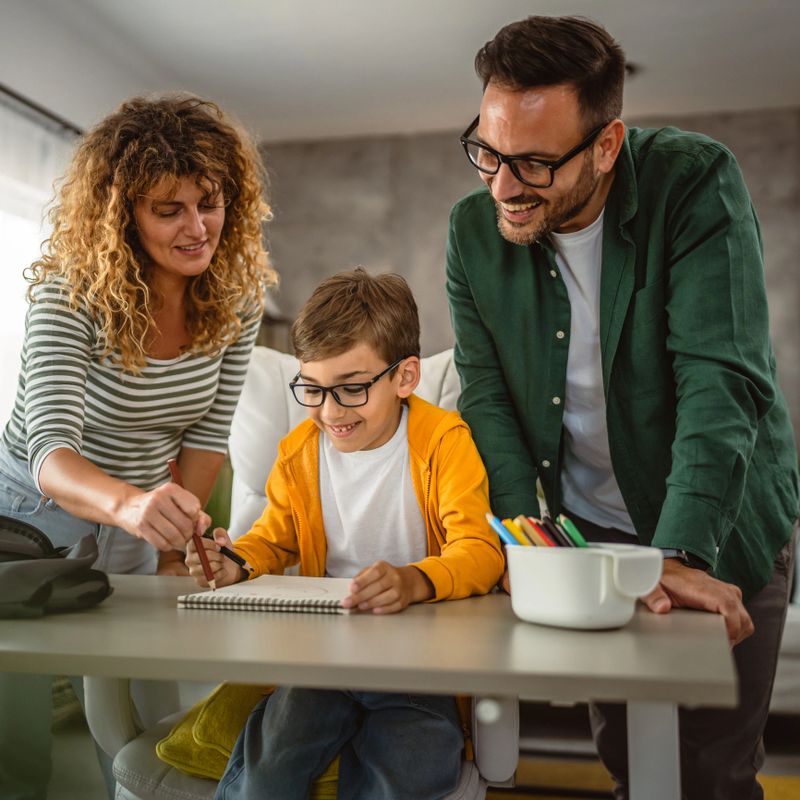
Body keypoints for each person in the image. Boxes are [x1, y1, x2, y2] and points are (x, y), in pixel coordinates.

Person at [445, 15, 798, 800]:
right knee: (632, 758)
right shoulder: (472, 233)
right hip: (590, 533)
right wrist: (524, 545)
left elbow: (720, 379)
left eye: (535, 163)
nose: (503, 186)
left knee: (712, 769)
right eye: (488, 151)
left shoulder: (694, 181)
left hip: (722, 518)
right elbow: (488, 397)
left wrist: (681, 555)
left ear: (606, 146)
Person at [0, 94, 274, 799]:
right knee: (18, 736)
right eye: (169, 210)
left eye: (209, 203)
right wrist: (132, 507)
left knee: (136, 719)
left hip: (137, 511)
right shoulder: (69, 294)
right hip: (28, 519)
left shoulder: (235, 299)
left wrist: (174, 540)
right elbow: (50, 450)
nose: (197, 228)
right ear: (123, 216)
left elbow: (207, 435)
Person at [186, 268, 504, 800]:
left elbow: (480, 550)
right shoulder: (298, 453)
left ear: (405, 377)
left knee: (410, 765)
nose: (330, 411)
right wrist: (234, 562)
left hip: (418, 662)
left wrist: (414, 581)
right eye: (312, 389)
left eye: (352, 388)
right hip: (322, 656)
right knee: (271, 763)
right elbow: (273, 539)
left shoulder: (445, 443)